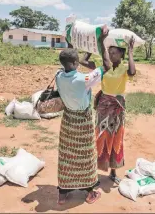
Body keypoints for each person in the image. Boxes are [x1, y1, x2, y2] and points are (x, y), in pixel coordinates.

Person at [56, 25, 110, 205]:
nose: (79, 62)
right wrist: (101, 41)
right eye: (77, 61)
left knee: (67, 155)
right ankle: (90, 191)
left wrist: (71, 40)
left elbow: (69, 58)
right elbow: (107, 66)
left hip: (68, 120)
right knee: (85, 156)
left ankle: (63, 192)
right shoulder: (83, 80)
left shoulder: (58, 75)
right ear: (74, 64)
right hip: (83, 121)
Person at [80, 37, 136, 185]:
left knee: (116, 137)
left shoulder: (124, 68)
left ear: (121, 55)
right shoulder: (104, 67)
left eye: (114, 53)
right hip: (103, 106)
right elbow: (83, 61)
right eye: (109, 52)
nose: (111, 55)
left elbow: (132, 72)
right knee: (100, 136)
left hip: (117, 107)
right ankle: (95, 172)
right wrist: (92, 46)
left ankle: (113, 171)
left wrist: (130, 51)